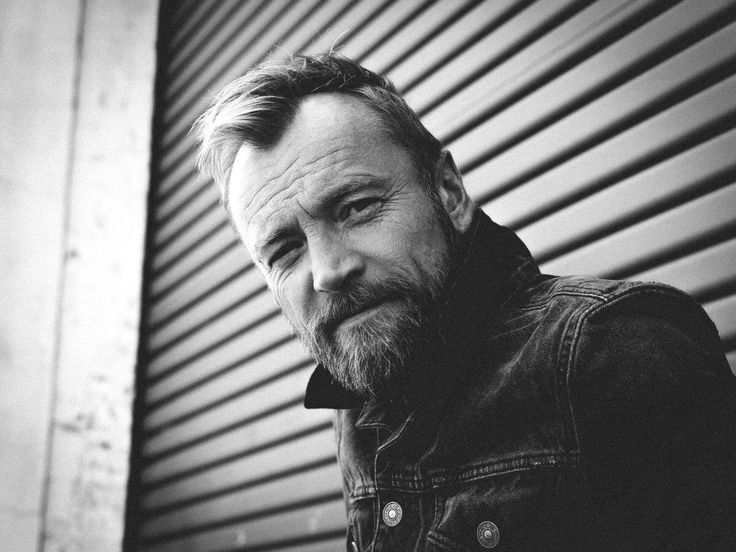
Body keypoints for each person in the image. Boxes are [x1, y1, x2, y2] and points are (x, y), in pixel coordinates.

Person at [193, 53, 736, 551]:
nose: (329, 272)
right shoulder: (362, 399)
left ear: (448, 193)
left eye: (357, 207)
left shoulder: (610, 352)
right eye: (286, 249)